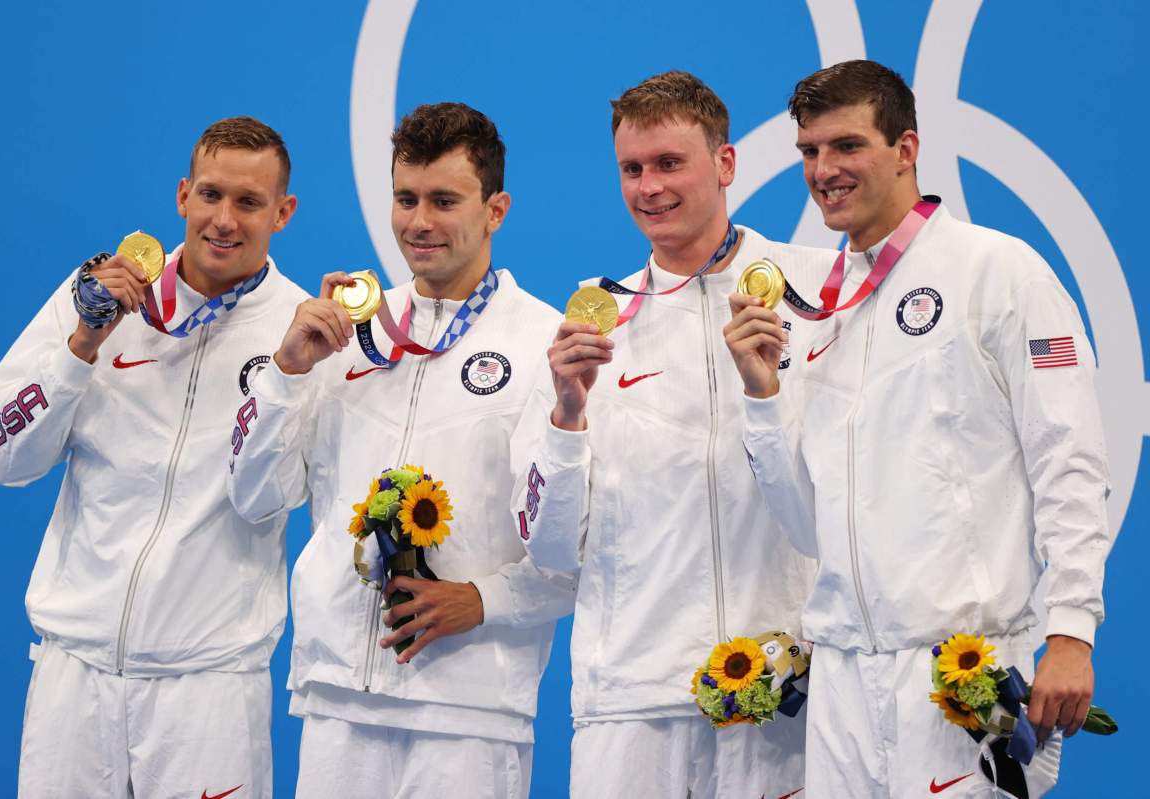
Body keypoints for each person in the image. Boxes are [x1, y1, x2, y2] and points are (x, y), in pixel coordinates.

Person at [724, 59, 1112, 798]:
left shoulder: (999, 271)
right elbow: (809, 526)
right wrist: (764, 396)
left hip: (960, 673)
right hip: (841, 680)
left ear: (906, 149)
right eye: (809, 151)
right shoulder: (817, 314)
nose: (824, 169)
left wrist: (1070, 629)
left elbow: (1071, 462)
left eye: (847, 146)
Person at [227, 102, 574, 799]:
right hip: (336, 698)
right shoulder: (347, 334)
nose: (420, 221)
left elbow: (580, 543)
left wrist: (483, 599)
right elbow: (258, 497)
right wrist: (288, 374)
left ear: (496, 209)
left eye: (445, 200)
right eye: (406, 198)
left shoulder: (548, 344)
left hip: (471, 709)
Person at [508, 70, 832, 798]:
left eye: (668, 163)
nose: (648, 187)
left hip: (783, 697)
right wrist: (566, 416)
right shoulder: (593, 328)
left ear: (725, 164)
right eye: (632, 168)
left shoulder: (816, 296)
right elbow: (552, 550)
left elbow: (835, 505)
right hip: (632, 705)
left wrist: (766, 390)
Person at [0, 116, 303, 798]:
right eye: (211, 195)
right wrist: (82, 345)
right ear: (183, 194)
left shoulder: (298, 332)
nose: (224, 219)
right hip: (74, 674)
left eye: (248, 203)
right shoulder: (97, 295)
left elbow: (275, 494)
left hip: (207, 688)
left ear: (283, 212)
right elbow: (3, 455)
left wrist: (286, 376)